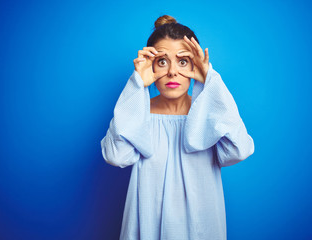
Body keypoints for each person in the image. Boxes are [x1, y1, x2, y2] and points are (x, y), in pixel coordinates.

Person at [100, 15, 255, 240]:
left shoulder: (209, 114)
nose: (172, 72)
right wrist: (136, 85)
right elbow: (116, 156)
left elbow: (239, 150)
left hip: (201, 227)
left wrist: (210, 80)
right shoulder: (138, 114)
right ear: (150, 64)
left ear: (195, 64)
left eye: (183, 61)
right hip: (147, 225)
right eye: (162, 61)